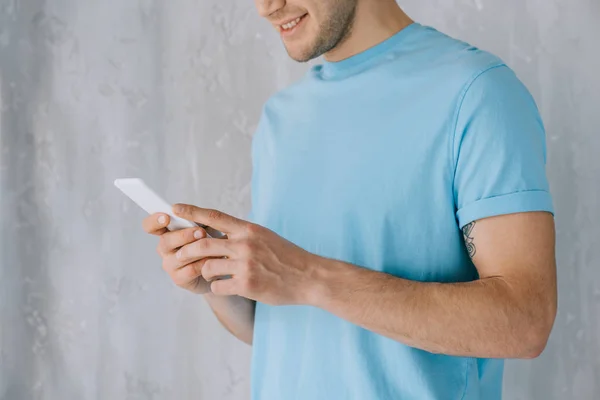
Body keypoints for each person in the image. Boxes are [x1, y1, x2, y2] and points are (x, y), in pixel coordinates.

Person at [143, 1, 557, 399]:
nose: (266, 6)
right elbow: (294, 330)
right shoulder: (281, 118)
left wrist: (307, 276)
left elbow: (525, 323)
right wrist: (219, 280)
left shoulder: (476, 91)